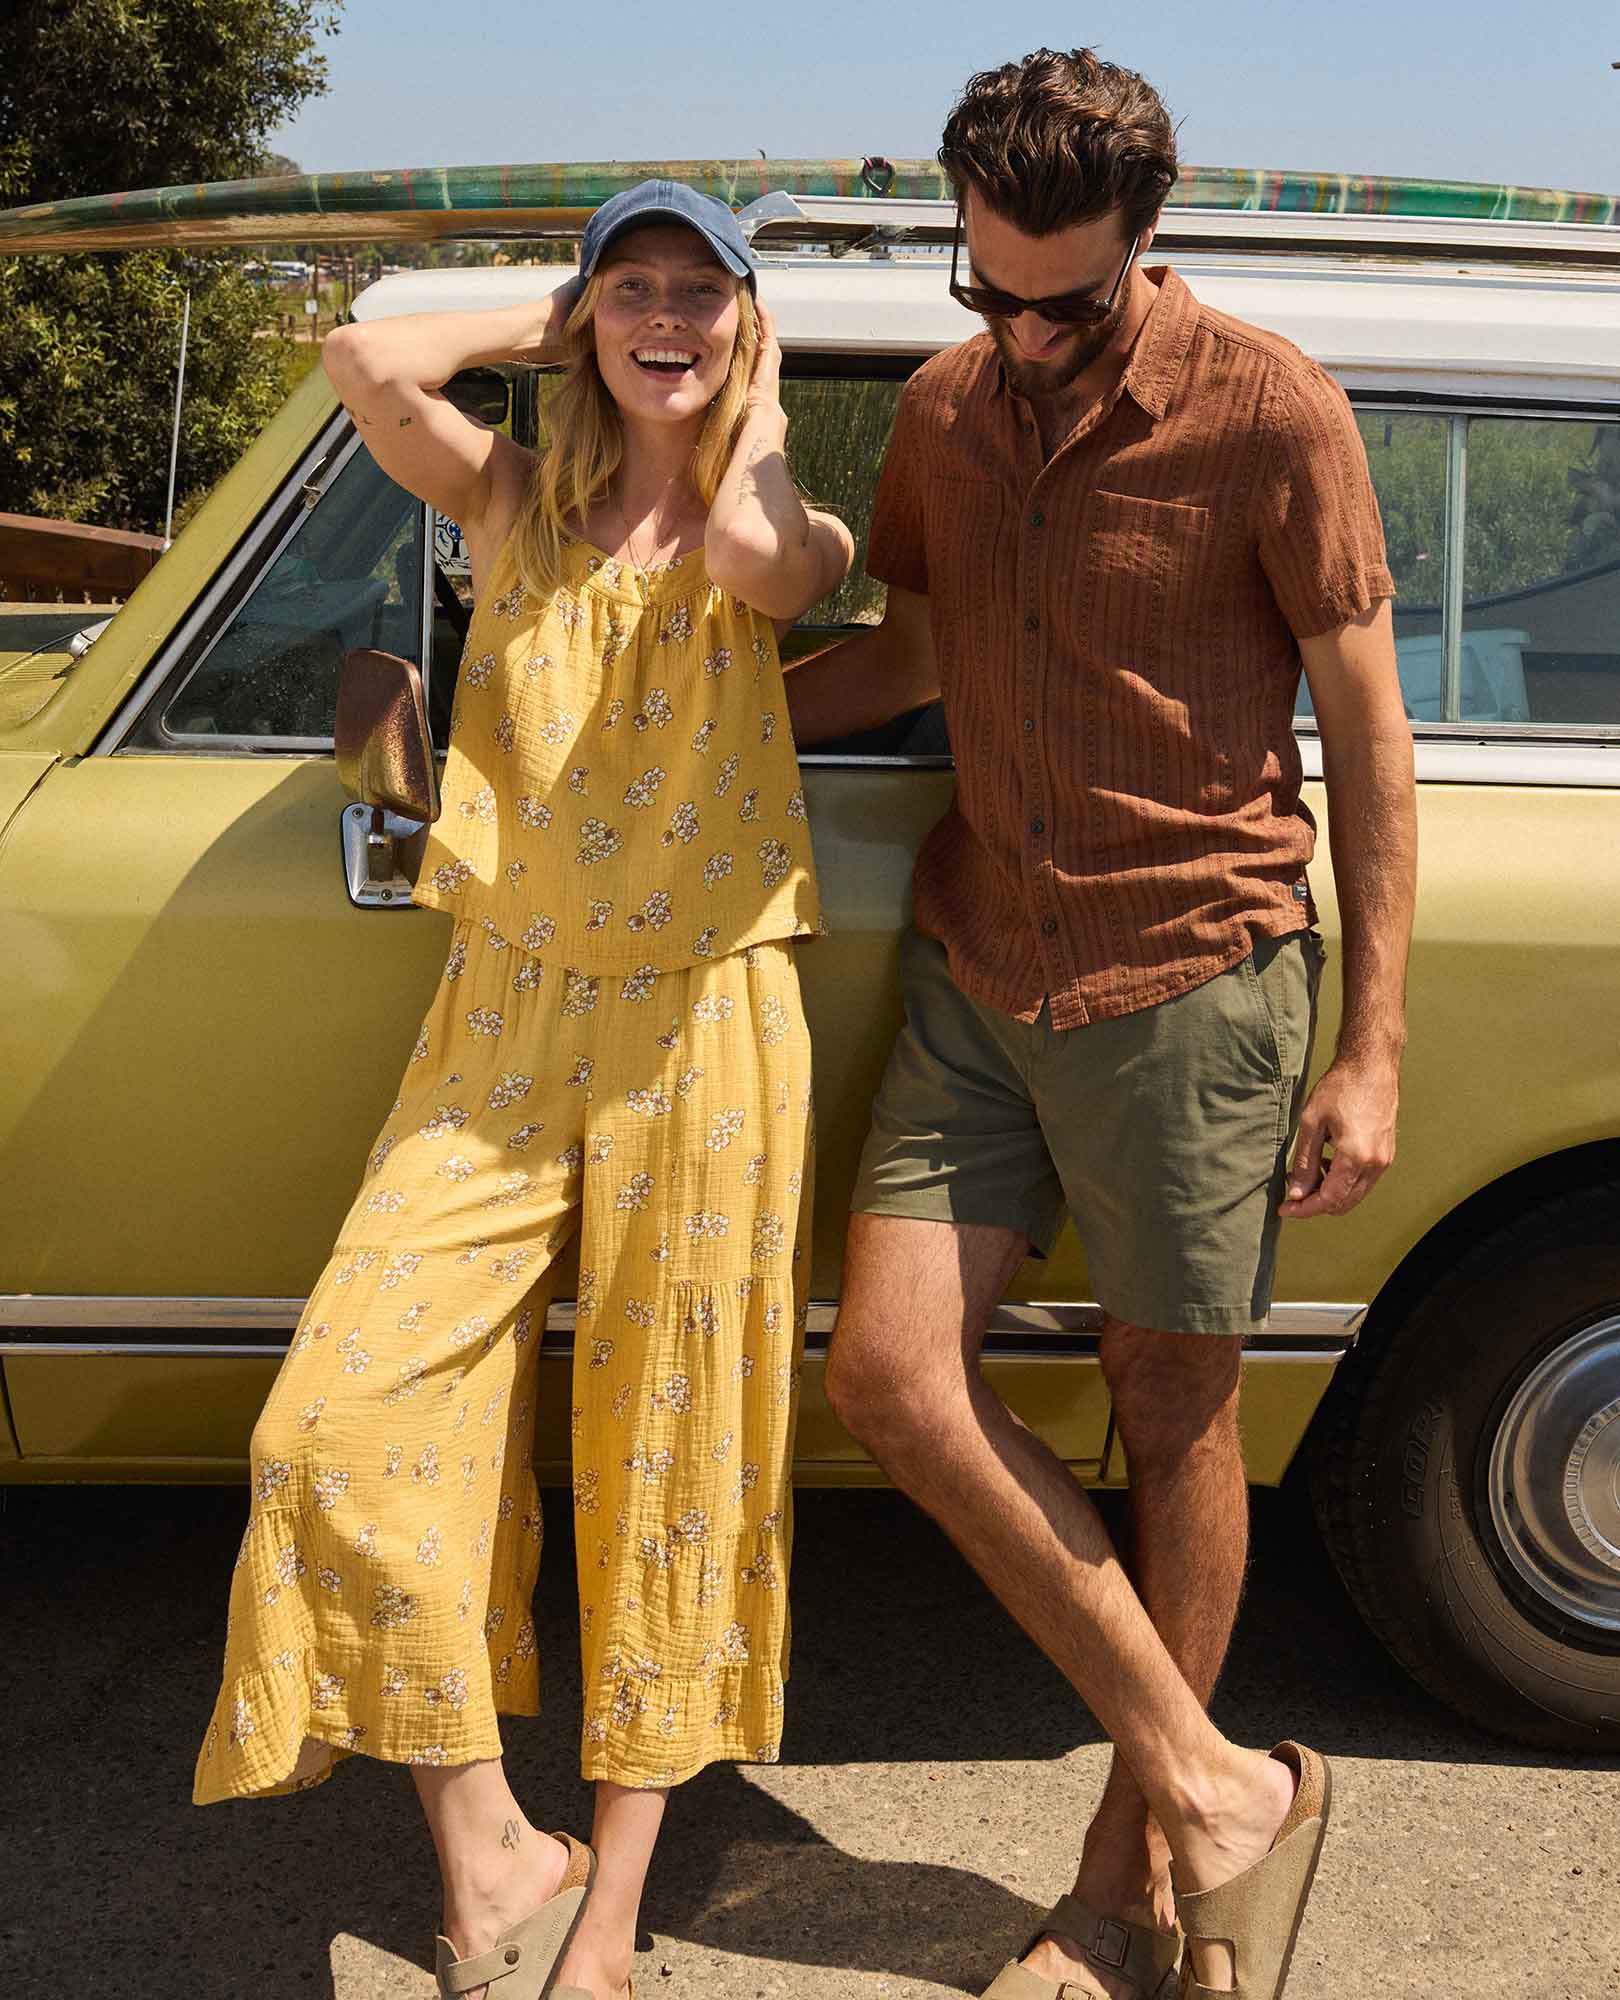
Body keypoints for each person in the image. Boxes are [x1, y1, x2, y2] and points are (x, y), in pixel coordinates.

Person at [787, 49, 1416, 2000]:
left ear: (1146, 239)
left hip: (1194, 981)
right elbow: (904, 653)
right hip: (982, 965)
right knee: (891, 1378)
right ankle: (1227, 1787)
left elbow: (1371, 737)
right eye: (987, 288)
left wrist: (1374, 1040)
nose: (1020, 332)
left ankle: (1121, 1885)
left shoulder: (1272, 411)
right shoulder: (944, 409)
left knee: (1173, 1412)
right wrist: (664, 723)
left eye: (1060, 301)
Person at [194, 179, 853, 2000]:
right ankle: (494, 1851)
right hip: (508, 1005)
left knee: (674, 1456)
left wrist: (745, 391)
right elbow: (363, 355)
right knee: (332, 1422)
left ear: (750, 323)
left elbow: (758, 557)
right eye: (633, 288)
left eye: (700, 291)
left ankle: (606, 1926)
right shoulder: (508, 503)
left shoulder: (789, 518)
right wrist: (558, 316)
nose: (665, 318)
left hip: (709, 1019)